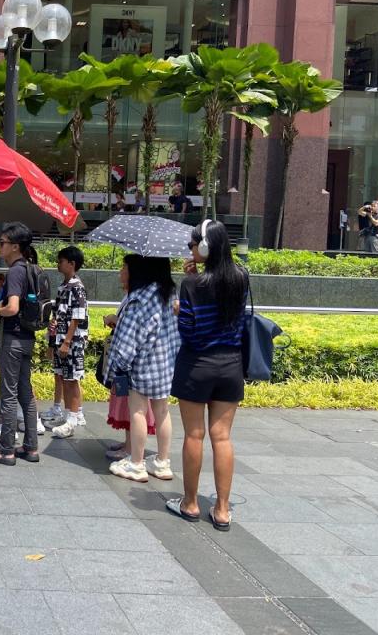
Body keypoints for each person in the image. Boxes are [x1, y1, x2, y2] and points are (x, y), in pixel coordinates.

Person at [168, 220, 248, 532]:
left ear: (204, 247)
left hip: (197, 365)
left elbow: (189, 331)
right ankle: (223, 510)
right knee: (223, 437)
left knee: (194, 435)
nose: (190, 249)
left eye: (192, 244)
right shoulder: (241, 278)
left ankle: (190, 503)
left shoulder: (191, 286)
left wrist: (181, 306)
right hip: (230, 366)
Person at [105, 255, 179, 483]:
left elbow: (128, 340)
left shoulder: (140, 297)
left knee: (138, 411)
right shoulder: (169, 292)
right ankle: (162, 463)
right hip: (165, 363)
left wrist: (120, 366)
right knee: (162, 412)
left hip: (143, 365)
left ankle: (136, 464)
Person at [0, 222, 39, 465]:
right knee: (27, 394)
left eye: (3, 242)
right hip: (27, 338)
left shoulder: (15, 271)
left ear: (15, 247)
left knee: (9, 394)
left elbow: (12, 307)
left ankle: (6, 450)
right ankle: (31, 448)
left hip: (12, 339)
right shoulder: (32, 268)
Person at [48, 247, 89, 439]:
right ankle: (68, 415)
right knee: (64, 377)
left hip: (71, 341)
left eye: (61, 260)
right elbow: (60, 314)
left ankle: (73, 418)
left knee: (72, 379)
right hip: (61, 339)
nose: (58, 263)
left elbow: (77, 317)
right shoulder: (64, 286)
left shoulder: (77, 287)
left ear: (71, 264)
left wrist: (67, 342)